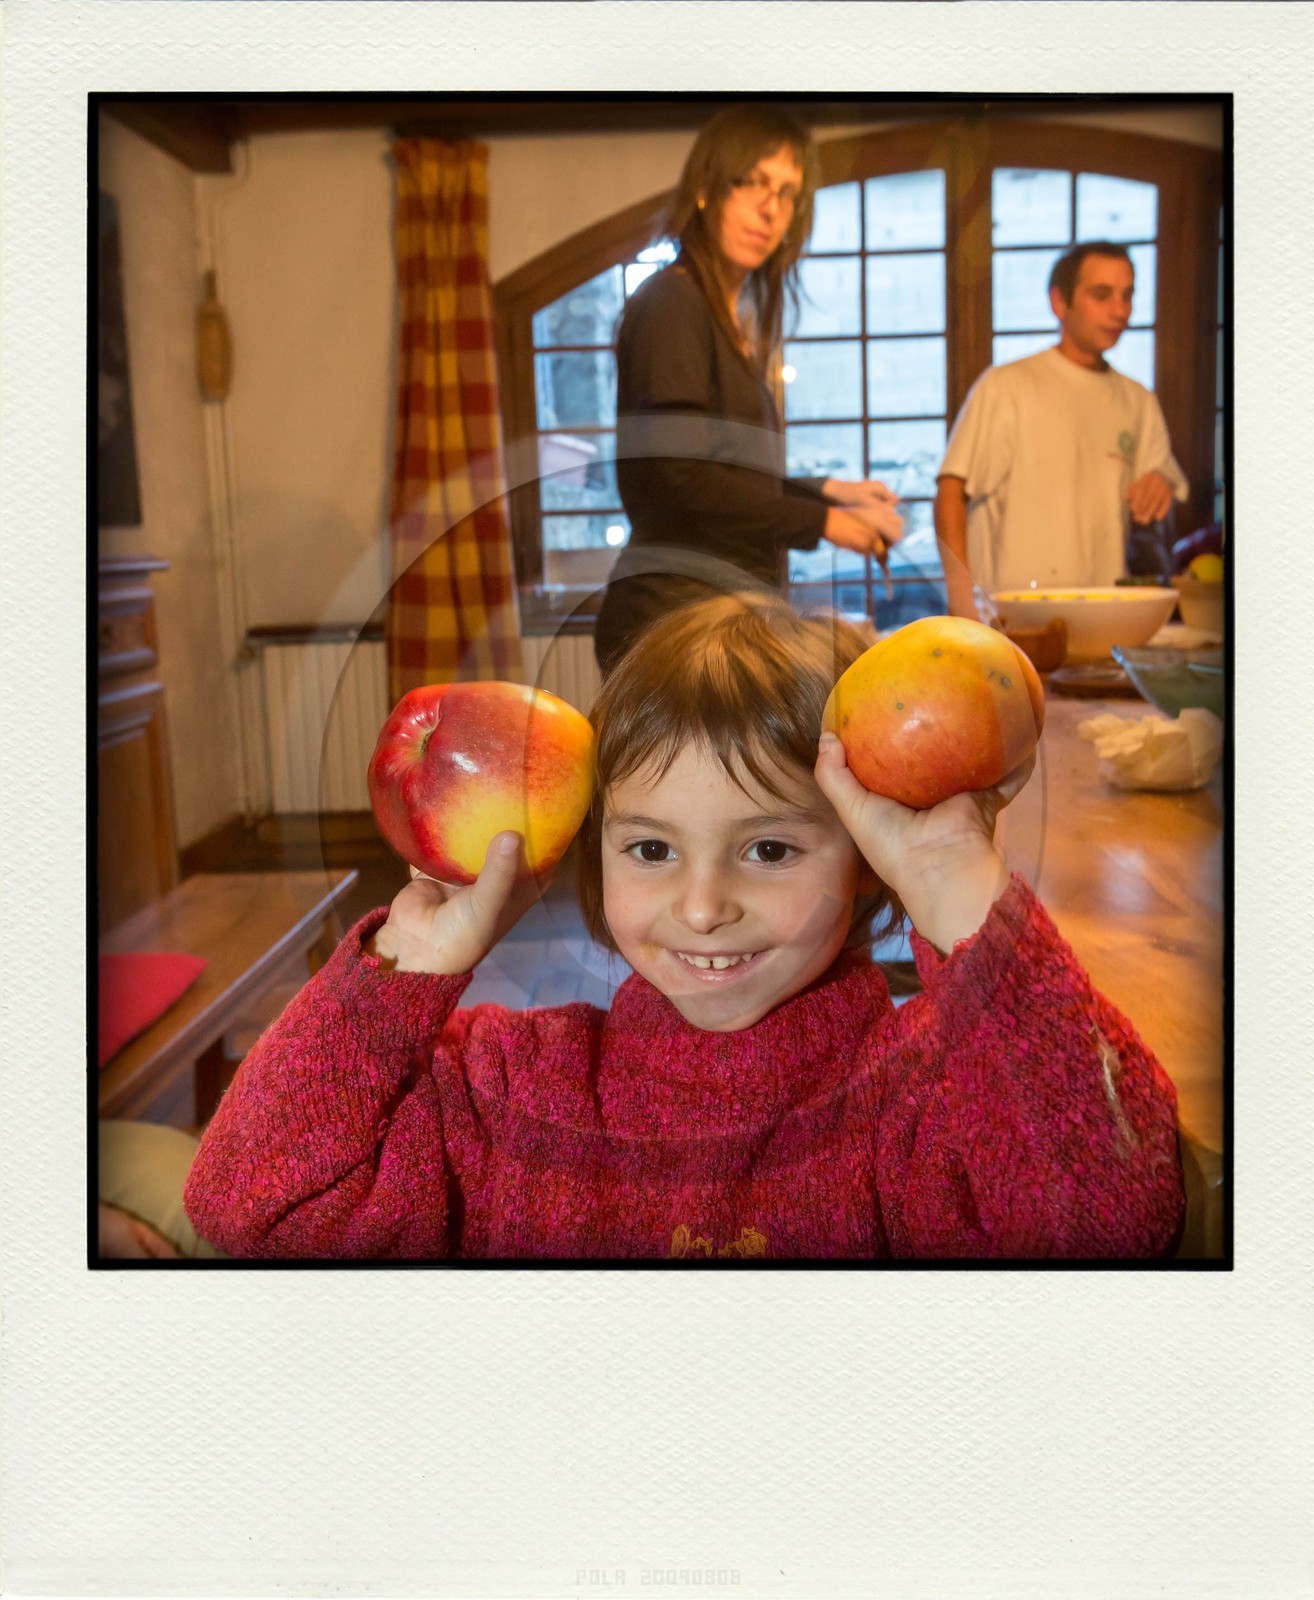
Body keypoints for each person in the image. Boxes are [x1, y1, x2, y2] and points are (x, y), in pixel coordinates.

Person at [183, 592, 1185, 1261]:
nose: (703, 908)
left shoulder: (931, 1091)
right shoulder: (510, 1088)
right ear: (592, 849)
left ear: (867, 861)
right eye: (652, 849)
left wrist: (953, 890)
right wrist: (409, 961)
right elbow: (249, 1202)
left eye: (770, 849)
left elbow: (1107, 1224)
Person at [592, 106, 904, 674]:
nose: (770, 209)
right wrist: (824, 522)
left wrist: (830, 492)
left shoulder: (719, 313)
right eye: (753, 183)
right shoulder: (672, 303)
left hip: (709, 616)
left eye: (787, 193)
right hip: (672, 622)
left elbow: (727, 471)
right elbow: (678, 475)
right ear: (707, 189)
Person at [935, 241, 1190, 621]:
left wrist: (1160, 482)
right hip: (1012, 623)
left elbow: (1164, 483)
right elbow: (951, 490)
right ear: (1059, 301)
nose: (1120, 311)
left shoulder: (1137, 400)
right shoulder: (1006, 386)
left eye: (1127, 296)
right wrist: (962, 601)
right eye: (1102, 295)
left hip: (1104, 620)